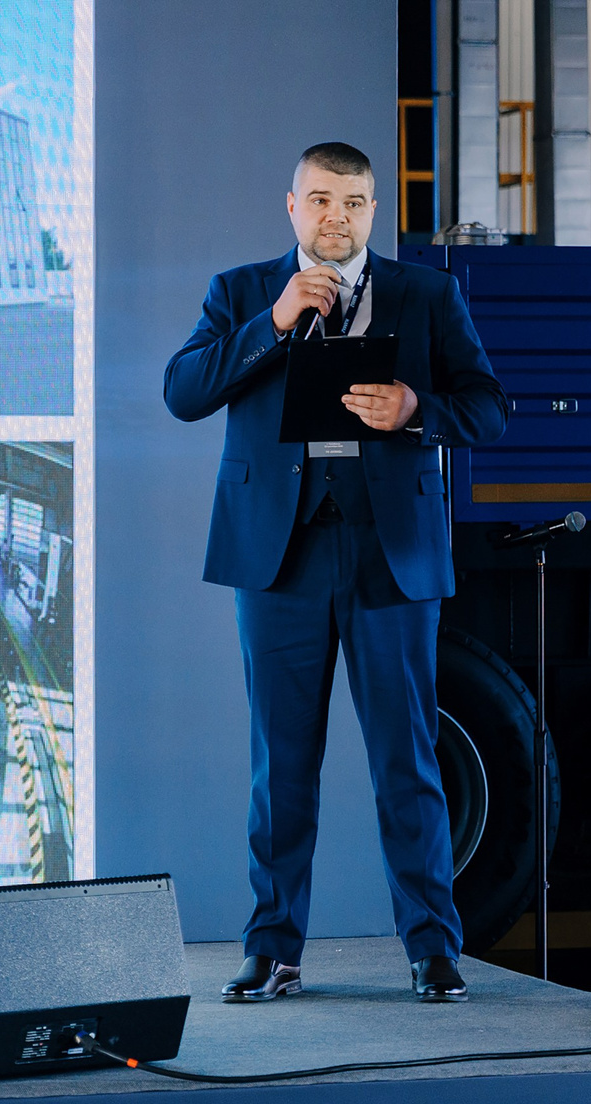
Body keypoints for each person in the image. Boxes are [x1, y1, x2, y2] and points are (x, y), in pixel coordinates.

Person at [164, 142, 509, 1003]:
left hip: (392, 553)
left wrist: (417, 408)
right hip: (277, 556)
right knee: (279, 765)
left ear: (373, 210)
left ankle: (433, 949)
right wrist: (274, 322)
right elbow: (184, 391)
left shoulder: (427, 294)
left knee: (408, 759)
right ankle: (272, 948)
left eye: (353, 203)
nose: (336, 217)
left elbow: (489, 408)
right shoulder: (242, 291)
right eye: (320, 199)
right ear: (293, 206)